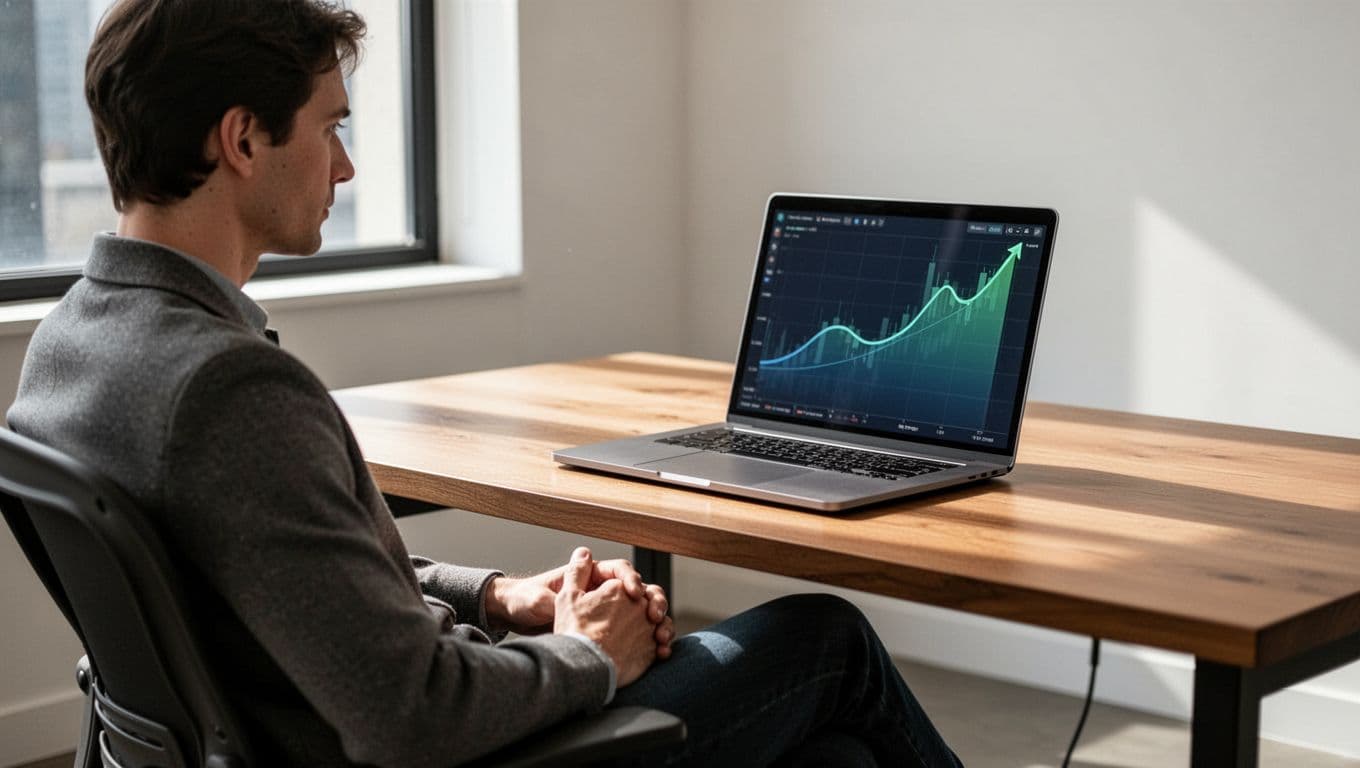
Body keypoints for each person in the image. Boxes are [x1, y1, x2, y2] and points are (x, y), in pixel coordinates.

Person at [6, 1, 963, 766]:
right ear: (242, 139)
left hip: (282, 725)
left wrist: (504, 597)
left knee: (836, 755)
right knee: (825, 639)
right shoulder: (229, 390)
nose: (343, 165)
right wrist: (591, 651)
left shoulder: (74, 341)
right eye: (330, 127)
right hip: (419, 743)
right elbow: (409, 720)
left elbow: (293, 580)